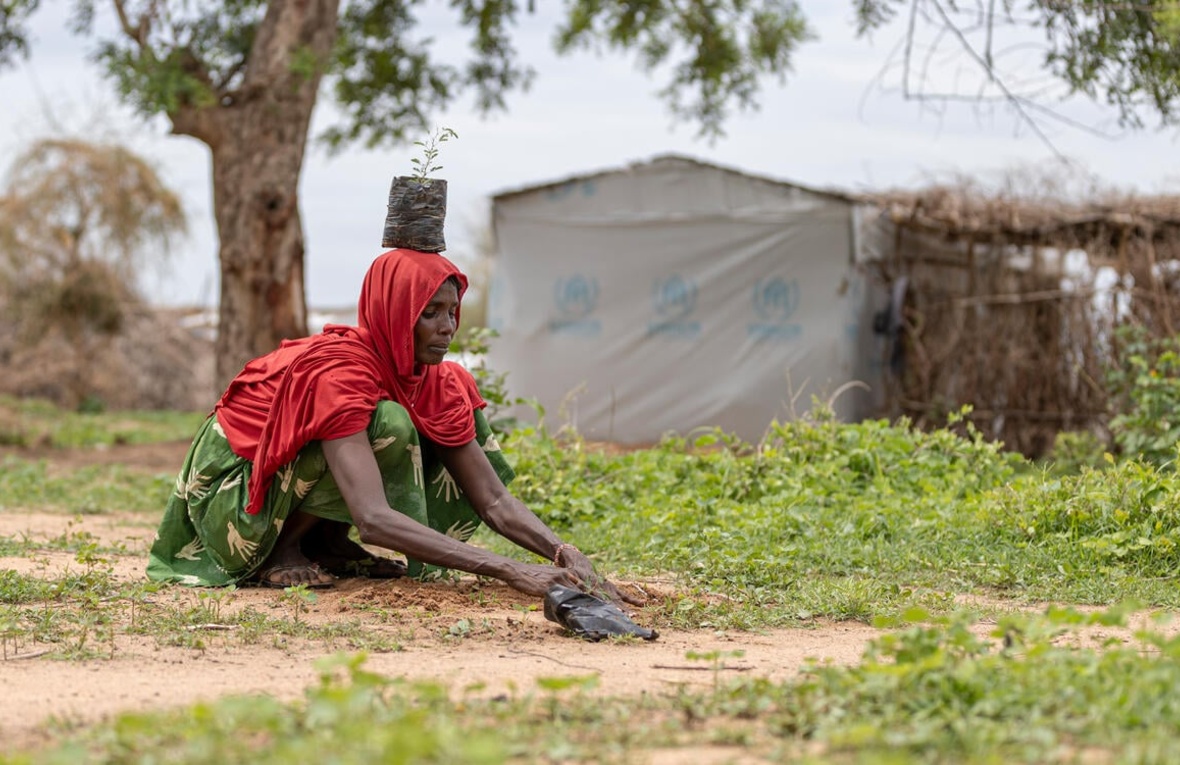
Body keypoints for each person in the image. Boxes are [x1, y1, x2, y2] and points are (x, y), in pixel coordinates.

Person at [147, 248, 637, 605]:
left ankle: (325, 543)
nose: (447, 327)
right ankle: (283, 547)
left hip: (293, 485)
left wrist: (563, 553)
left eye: (452, 312)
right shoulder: (338, 372)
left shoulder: (434, 379)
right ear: (394, 311)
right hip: (232, 499)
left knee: (441, 415)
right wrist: (510, 570)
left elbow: (493, 499)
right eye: (429, 313)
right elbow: (374, 518)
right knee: (390, 423)